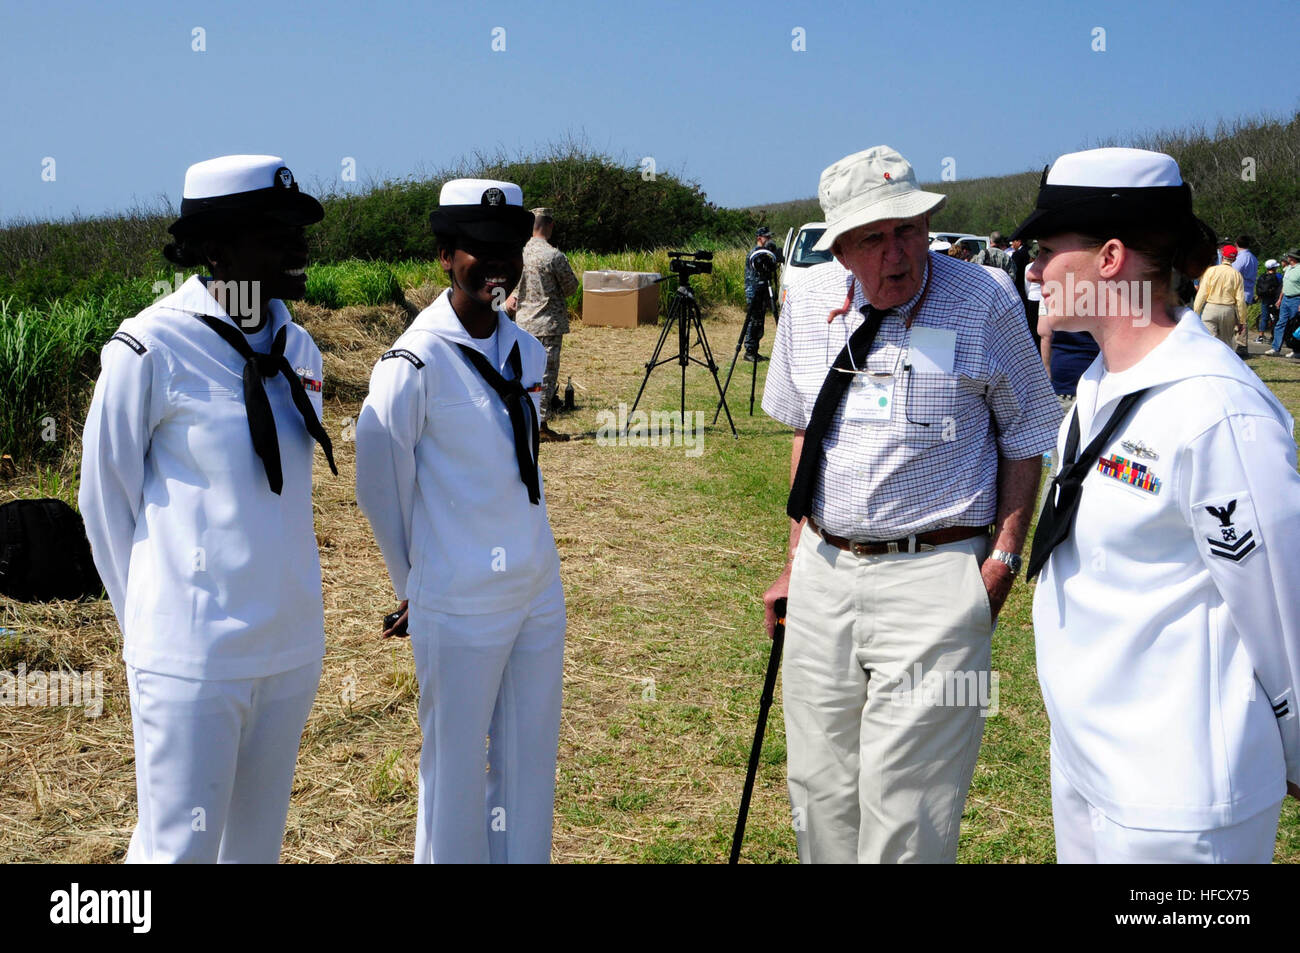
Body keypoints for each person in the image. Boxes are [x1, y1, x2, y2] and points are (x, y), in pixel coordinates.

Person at [760, 145, 1060, 864]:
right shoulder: (805, 303)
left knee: (909, 811)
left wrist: (1002, 562)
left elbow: (1028, 435)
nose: (898, 254)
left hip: (938, 575)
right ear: (839, 247)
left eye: (910, 229)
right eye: (874, 237)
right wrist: (795, 558)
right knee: (819, 789)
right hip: (826, 572)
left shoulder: (984, 298)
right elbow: (808, 424)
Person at [1021, 147, 1300, 864]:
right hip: (1092, 765)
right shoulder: (1099, 386)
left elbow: (1281, 608)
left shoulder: (1215, 410)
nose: (1032, 269)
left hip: (1179, 802)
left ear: (1110, 258)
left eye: (1049, 251)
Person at [79, 155, 334, 863]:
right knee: (178, 851)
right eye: (273, 232)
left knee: (253, 851)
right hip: (192, 658)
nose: (296, 248)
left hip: (286, 649)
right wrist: (158, 633)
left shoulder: (299, 347)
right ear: (214, 248)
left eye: (295, 230)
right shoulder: (150, 347)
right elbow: (104, 499)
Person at [355, 178, 565, 864]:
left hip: (535, 587)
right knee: (451, 781)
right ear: (446, 255)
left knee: (529, 768)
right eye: (478, 248)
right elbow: (378, 483)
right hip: (458, 597)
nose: (496, 263)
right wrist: (415, 582)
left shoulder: (526, 352)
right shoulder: (413, 364)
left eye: (506, 247)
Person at [506, 207, 579, 441]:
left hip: (522, 323)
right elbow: (571, 288)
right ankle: (540, 425)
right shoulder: (553, 256)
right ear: (549, 225)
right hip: (548, 324)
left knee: (522, 372)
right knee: (545, 374)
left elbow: (510, 291)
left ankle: (519, 420)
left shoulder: (518, 252)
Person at [1193, 244, 1248, 352]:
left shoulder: (1211, 271)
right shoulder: (1237, 275)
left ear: (1222, 256)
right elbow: (1240, 300)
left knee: (1208, 340)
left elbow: (1202, 293)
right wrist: (1242, 320)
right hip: (1228, 310)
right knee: (1226, 343)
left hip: (1211, 309)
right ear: (1234, 259)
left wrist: (1196, 312)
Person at [743, 226, 784, 360]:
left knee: (759, 322)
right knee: (753, 321)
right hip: (754, 292)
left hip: (763, 291)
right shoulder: (755, 253)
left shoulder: (766, 253)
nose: (769, 239)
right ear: (759, 238)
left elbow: (771, 268)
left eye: (770, 237)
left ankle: (754, 350)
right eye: (767, 237)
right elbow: (760, 266)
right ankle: (749, 351)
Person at [1265, 249, 1300, 356]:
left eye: (1289, 256)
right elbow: (1285, 285)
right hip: (1285, 299)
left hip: (1296, 299)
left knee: (1294, 325)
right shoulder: (1288, 268)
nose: (1287, 258)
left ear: (1293, 258)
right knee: (1280, 323)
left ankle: (1296, 350)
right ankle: (1275, 348)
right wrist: (1280, 299)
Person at [1255, 258, 1281, 341]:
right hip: (1275, 299)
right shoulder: (1278, 276)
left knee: (1264, 317)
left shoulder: (1262, 276)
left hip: (1264, 299)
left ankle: (1260, 336)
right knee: (1276, 317)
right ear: (1274, 268)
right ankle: (1274, 337)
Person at [1231, 234, 1258, 306]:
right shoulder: (1253, 258)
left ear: (1236, 244)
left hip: (1239, 294)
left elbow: (1232, 274)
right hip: (1247, 293)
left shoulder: (1240, 258)